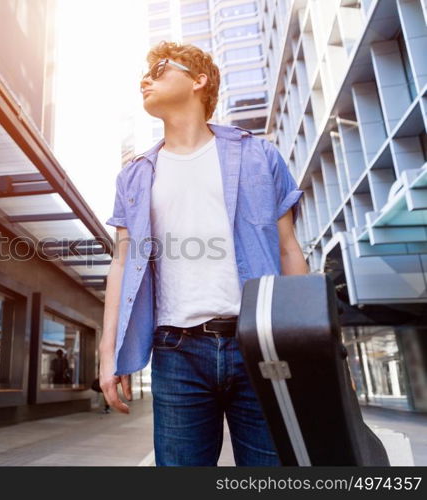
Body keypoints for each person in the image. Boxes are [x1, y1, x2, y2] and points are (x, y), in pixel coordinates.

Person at [99, 41, 309, 466]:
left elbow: (289, 251)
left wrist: (308, 344)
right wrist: (110, 354)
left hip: (259, 346)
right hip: (176, 351)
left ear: (199, 80)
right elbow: (120, 265)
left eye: (158, 69)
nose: (145, 78)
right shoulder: (135, 175)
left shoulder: (258, 154)